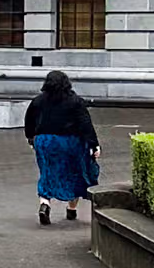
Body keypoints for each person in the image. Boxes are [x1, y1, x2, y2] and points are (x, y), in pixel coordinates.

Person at [25, 68, 101, 225]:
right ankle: (71, 209)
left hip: (45, 142)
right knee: (75, 173)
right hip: (70, 142)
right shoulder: (75, 101)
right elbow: (85, 124)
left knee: (47, 173)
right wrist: (94, 144)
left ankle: (44, 204)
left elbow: (29, 122)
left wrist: (31, 139)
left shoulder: (38, 101)